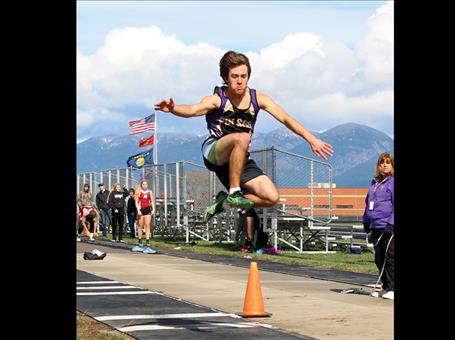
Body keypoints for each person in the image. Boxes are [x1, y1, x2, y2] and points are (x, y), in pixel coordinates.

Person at [154, 50, 333, 220]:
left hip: (239, 157)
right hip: (215, 151)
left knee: (271, 197)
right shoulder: (217, 99)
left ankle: (226, 201)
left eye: (243, 76)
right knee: (242, 137)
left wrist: (312, 139)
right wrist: (173, 109)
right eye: (234, 77)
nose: (239, 81)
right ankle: (234, 192)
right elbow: (192, 110)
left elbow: (285, 118)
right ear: (225, 78)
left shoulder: (258, 99)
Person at [363, 152, 394, 300]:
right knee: (379, 258)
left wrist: (391, 223)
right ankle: (386, 286)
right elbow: (368, 203)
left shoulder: (392, 182)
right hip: (375, 226)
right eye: (382, 162)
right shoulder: (374, 183)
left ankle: (392, 288)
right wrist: (366, 221)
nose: (385, 164)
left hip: (389, 226)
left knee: (390, 257)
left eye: (388, 162)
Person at [135, 180, 156, 247]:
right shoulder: (139, 192)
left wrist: (153, 209)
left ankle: (147, 241)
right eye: (143, 184)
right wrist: (138, 210)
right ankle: (140, 240)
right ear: (141, 185)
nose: (145, 185)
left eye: (146, 184)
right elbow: (136, 202)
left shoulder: (150, 192)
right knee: (140, 226)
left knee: (147, 225)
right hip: (141, 210)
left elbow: (152, 201)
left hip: (147, 209)